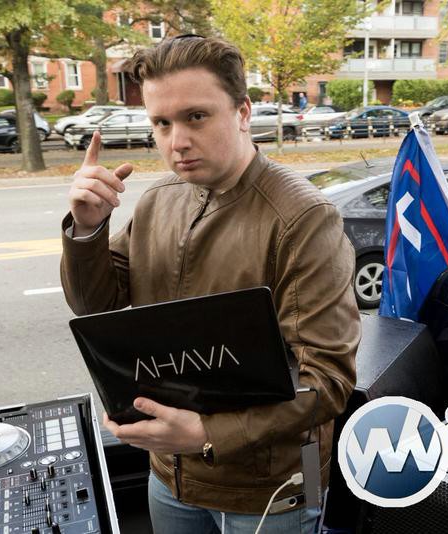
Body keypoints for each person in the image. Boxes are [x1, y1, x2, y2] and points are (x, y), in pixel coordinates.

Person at [60, 36, 360, 534]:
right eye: (162, 123)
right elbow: (97, 306)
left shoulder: (303, 218)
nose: (176, 141)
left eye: (196, 117)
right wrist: (87, 230)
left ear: (243, 112)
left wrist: (207, 433)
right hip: (170, 472)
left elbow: (327, 381)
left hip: (276, 488)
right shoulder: (159, 200)